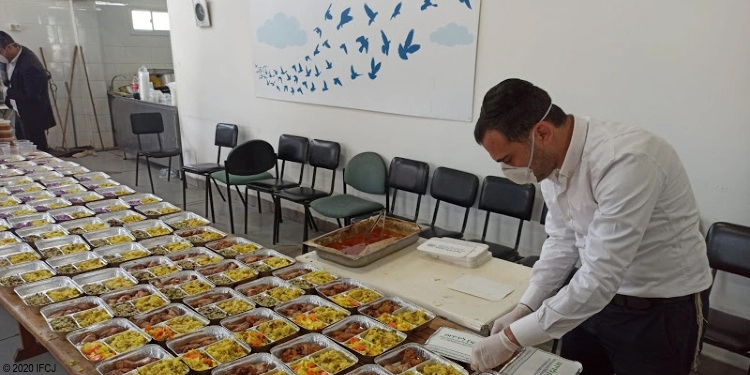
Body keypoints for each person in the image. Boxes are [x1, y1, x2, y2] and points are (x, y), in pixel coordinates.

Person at [470, 78, 712, 375]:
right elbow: (562, 241)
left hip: (658, 310)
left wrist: (510, 340)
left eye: (508, 159)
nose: (508, 171)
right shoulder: (548, 162)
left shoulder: (626, 159)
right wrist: (526, 307)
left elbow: (602, 274)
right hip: (591, 301)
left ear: (542, 133)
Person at [0, 31, 55, 151]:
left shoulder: (30, 65)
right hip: (20, 110)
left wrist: (6, 91)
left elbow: (32, 97)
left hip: (33, 114)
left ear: (8, 47)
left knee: (36, 150)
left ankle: (43, 168)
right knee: (23, 146)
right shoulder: (9, 59)